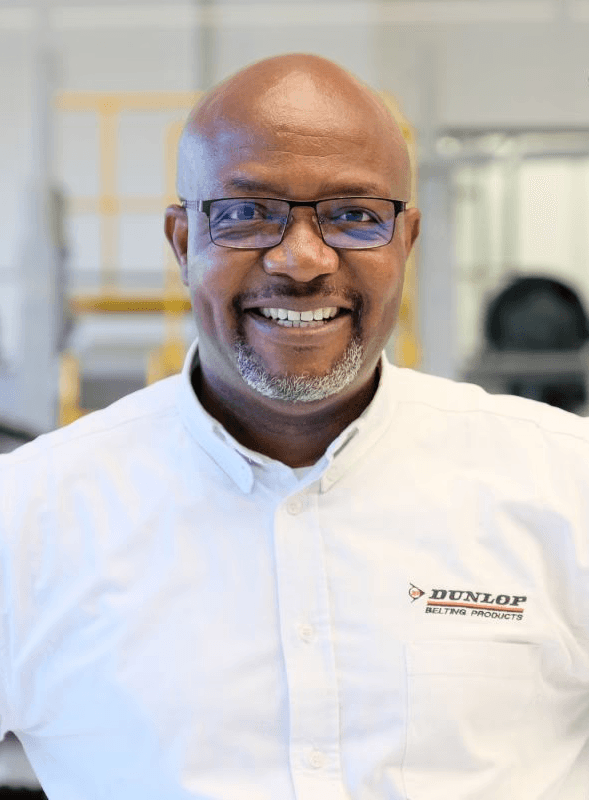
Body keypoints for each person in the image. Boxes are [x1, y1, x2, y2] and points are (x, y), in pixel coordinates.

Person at [0, 52, 587, 800]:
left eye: (353, 215)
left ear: (404, 243)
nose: (301, 260)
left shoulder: (565, 486)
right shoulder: (27, 516)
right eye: (247, 212)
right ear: (183, 243)